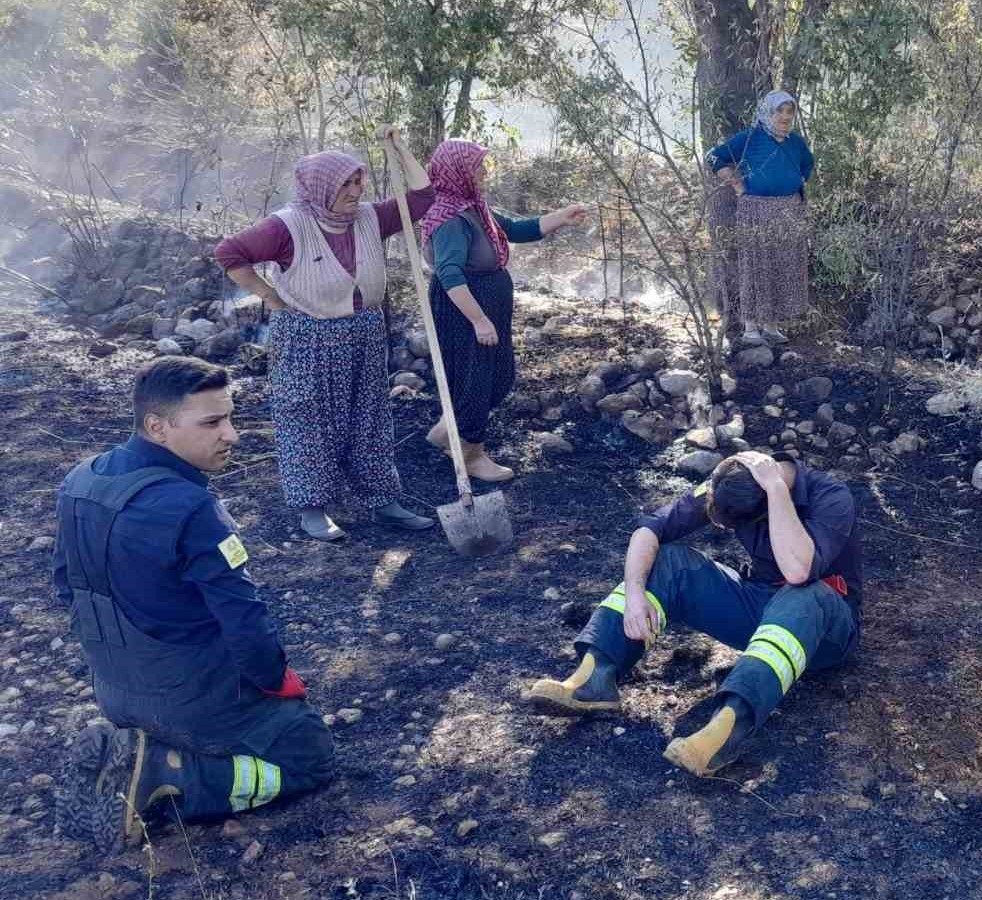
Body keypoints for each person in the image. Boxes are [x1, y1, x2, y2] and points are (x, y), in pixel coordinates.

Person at [51, 358, 333, 854]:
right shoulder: (192, 508)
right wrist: (273, 682)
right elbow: (245, 621)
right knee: (309, 755)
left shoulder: (81, 480)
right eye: (211, 423)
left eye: (229, 417)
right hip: (188, 696)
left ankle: (143, 752)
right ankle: (171, 778)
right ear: (157, 426)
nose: (232, 435)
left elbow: (64, 586)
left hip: (114, 691)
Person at [524, 451, 862, 777]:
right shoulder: (734, 477)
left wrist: (776, 490)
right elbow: (651, 528)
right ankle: (594, 677)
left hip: (823, 629)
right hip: (760, 607)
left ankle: (727, 728)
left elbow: (799, 571)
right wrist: (635, 596)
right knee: (669, 559)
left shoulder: (831, 497)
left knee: (803, 593)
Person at [216, 129, 437, 541]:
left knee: (369, 414)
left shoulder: (371, 216)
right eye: (345, 184)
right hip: (306, 332)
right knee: (307, 417)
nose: (355, 191)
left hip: (364, 331)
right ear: (320, 188)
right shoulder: (287, 225)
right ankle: (313, 509)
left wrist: (400, 148)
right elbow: (230, 253)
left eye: (358, 182)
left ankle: (383, 498)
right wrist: (270, 296)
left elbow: (424, 199)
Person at [417, 139, 587, 482]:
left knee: (499, 377)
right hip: (464, 308)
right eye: (478, 167)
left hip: (488, 302)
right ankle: (472, 455)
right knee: (476, 381)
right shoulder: (450, 218)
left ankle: (447, 430)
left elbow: (515, 229)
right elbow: (448, 272)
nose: (484, 173)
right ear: (459, 171)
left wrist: (562, 217)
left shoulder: (474, 207)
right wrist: (478, 319)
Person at [706, 91, 815, 345]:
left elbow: (807, 165)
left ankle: (772, 326)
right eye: (780, 111)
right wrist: (736, 184)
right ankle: (750, 328)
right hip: (756, 211)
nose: (785, 117)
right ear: (768, 112)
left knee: (781, 267)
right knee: (755, 266)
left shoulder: (795, 142)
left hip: (789, 212)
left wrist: (797, 181)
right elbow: (714, 156)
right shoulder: (750, 138)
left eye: (790, 112)